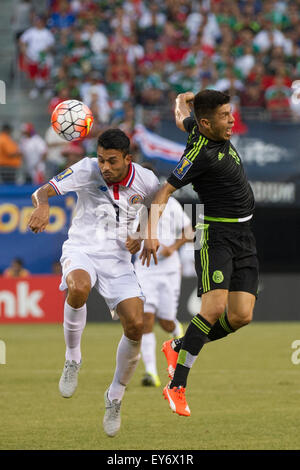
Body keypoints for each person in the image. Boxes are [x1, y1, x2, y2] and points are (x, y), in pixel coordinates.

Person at [27, 128, 160, 437]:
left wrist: (141, 233)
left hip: (117, 260)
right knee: (78, 287)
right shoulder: (87, 169)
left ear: (128, 159)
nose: (104, 168)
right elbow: (43, 190)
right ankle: (73, 358)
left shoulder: (147, 181)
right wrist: (42, 204)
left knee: (136, 326)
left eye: (112, 161)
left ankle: (115, 396)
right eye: (101, 160)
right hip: (83, 248)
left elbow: (154, 209)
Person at [140, 90, 259, 417]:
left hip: (244, 237)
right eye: (225, 116)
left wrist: (182, 97)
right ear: (207, 123)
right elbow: (164, 191)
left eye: (230, 113)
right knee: (213, 309)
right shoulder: (200, 154)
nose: (232, 119)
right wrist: (150, 232)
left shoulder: (200, 126)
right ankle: (176, 386)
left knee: (240, 316)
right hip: (216, 235)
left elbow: (181, 116)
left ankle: (177, 346)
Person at [134, 164, 194, 388]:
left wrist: (173, 247)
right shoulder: (135, 206)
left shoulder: (173, 205)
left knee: (166, 322)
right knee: (145, 321)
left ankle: (177, 333)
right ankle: (151, 372)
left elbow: (190, 230)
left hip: (168, 269)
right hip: (144, 268)